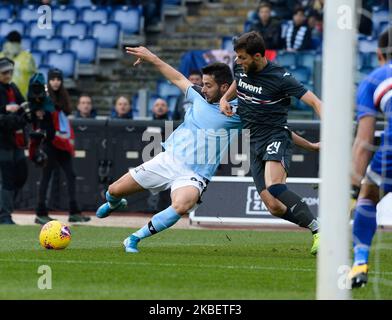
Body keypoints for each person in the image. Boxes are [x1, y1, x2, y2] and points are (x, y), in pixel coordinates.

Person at [95, 46, 320, 253]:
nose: (203, 88)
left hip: (195, 174)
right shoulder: (197, 95)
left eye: (208, 85)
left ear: (224, 87)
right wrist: (152, 58)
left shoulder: (240, 110)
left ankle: (134, 238)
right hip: (168, 160)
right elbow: (175, 77)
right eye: (202, 83)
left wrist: (309, 146)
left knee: (183, 204)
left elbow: (278, 128)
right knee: (114, 190)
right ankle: (115, 203)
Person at [220, 31, 323, 255]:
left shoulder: (281, 77)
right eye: (236, 57)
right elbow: (238, 83)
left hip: (275, 136)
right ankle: (317, 228)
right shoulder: (241, 68)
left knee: (275, 185)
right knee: (274, 206)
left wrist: (333, 132)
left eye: (242, 57)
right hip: (253, 141)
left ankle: (320, 232)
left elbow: (315, 101)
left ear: (257, 56)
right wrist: (224, 98)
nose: (237, 61)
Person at [348, 28, 392, 288]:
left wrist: (352, 186)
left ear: (378, 54)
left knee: (368, 194)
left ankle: (360, 262)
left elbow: (364, 142)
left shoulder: (374, 79)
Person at [33, 69, 90, 224]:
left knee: (71, 175)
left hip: (62, 143)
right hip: (49, 143)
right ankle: (40, 212)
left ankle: (74, 212)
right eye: (53, 79)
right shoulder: (44, 97)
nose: (56, 82)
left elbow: (65, 114)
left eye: (58, 79)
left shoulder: (63, 96)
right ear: (49, 81)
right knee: (46, 177)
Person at [0, 57, 29, 225]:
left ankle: (6, 209)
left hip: (15, 140)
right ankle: (4, 215)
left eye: (10, 72)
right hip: (2, 141)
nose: (8, 75)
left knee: (21, 175)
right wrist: (6, 111)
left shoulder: (12, 88)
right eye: (4, 72)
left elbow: (24, 107)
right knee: (8, 178)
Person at [0, 31, 37, 99]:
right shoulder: (28, 57)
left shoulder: (1, 56)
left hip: (20, 97)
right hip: (10, 97)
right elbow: (35, 77)